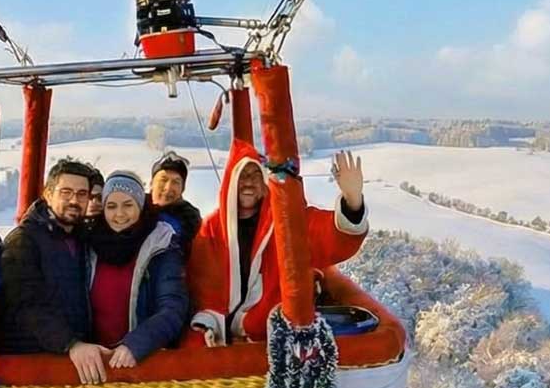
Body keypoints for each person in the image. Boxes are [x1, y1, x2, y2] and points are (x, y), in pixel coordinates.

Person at [189, 142, 368, 345]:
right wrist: (209, 325)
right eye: (242, 175)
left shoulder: (284, 221)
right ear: (230, 182)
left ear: (265, 183)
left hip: (273, 336)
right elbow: (203, 286)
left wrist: (352, 201)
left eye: (255, 175)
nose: (248, 182)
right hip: (221, 334)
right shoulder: (212, 228)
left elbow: (328, 236)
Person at [0, 159, 108, 384]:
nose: (74, 201)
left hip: (72, 363)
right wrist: (69, 343)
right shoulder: (23, 241)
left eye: (81, 194)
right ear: (48, 194)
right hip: (32, 367)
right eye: (66, 192)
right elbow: (26, 305)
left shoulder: (82, 239)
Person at [87, 170, 188, 369]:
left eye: (128, 205)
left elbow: (173, 307)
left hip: (142, 359)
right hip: (96, 361)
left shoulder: (161, 245)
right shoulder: (89, 244)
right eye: (111, 206)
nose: (119, 214)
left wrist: (137, 344)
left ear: (140, 206)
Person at [148, 150, 201, 256]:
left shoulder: (190, 221)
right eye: (163, 179)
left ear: (182, 189)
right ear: (151, 184)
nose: (168, 188)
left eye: (176, 182)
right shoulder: (135, 211)